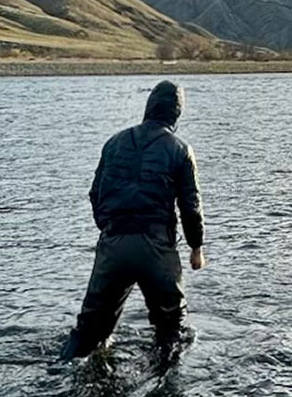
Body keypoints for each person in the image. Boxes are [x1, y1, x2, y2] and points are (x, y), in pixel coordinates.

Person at [59, 80, 206, 361]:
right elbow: (191, 205)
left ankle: (61, 371)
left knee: (89, 332)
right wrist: (196, 247)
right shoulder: (180, 149)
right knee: (171, 333)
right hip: (156, 248)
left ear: (148, 107)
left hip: (113, 245)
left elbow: (95, 194)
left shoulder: (113, 143)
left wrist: (110, 229)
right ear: (176, 114)